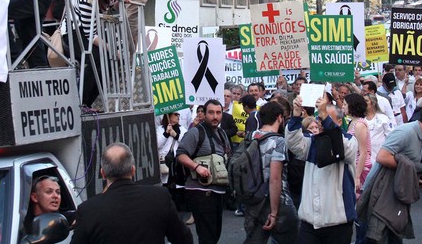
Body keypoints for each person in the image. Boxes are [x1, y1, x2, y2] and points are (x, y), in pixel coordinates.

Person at [358, 103, 422, 244]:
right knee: (376, 237)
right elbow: (382, 157)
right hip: (381, 192)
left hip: (396, 192)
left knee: (395, 233)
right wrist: (410, 170)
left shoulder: (421, 136)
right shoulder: (405, 132)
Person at [71, 142, 192, 244]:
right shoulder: (160, 196)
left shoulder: (87, 210)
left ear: (103, 174)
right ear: (133, 170)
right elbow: (184, 238)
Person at [286, 94, 358, 244]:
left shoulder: (350, 141)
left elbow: (341, 147)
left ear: (339, 122)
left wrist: (325, 117)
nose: (321, 122)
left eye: (326, 118)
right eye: (320, 118)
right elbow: (293, 142)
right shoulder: (312, 142)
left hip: (338, 223)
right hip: (310, 223)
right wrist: (296, 114)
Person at [62, 0, 129, 106]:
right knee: (97, 58)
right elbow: (90, 35)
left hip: (91, 32)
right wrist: (112, 49)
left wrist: (123, 1)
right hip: (74, 31)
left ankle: (87, 102)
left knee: (109, 62)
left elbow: (114, 3)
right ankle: (80, 102)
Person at [176, 100, 231, 244]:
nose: (215, 116)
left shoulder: (222, 134)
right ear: (203, 114)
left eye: (218, 113)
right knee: (207, 235)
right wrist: (196, 167)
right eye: (211, 112)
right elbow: (181, 154)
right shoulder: (195, 132)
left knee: (214, 233)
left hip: (218, 191)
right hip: (200, 192)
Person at [243, 102, 298, 244]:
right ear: (280, 117)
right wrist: (273, 212)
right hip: (278, 201)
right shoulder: (278, 141)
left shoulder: (250, 136)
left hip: (253, 198)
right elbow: (274, 178)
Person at [345, 93, 372, 195]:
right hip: (353, 165)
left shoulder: (360, 125)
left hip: (361, 168)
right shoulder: (352, 122)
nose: (343, 106)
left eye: (345, 104)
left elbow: (363, 152)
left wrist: (357, 176)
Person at [363, 92, 392, 162]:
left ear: (373, 103)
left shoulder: (383, 118)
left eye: (366, 101)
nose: (364, 103)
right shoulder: (361, 120)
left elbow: (390, 136)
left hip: (380, 155)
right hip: (366, 157)